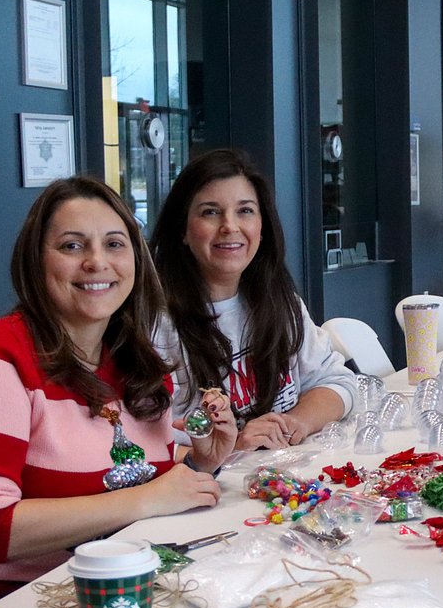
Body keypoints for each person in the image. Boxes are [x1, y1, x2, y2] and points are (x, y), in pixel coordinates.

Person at [0, 177, 236, 608]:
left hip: (106, 592)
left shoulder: (134, 362)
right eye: (71, 245)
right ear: (36, 261)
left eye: (114, 244)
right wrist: (146, 500)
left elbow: (129, 472)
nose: (97, 262)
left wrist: (202, 460)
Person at [151, 149, 355, 451]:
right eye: (210, 212)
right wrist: (231, 447)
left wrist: (296, 422)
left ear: (262, 227)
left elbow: (339, 383)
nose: (230, 226)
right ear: (182, 230)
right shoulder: (157, 326)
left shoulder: (279, 301)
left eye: (245, 211)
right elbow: (150, 441)